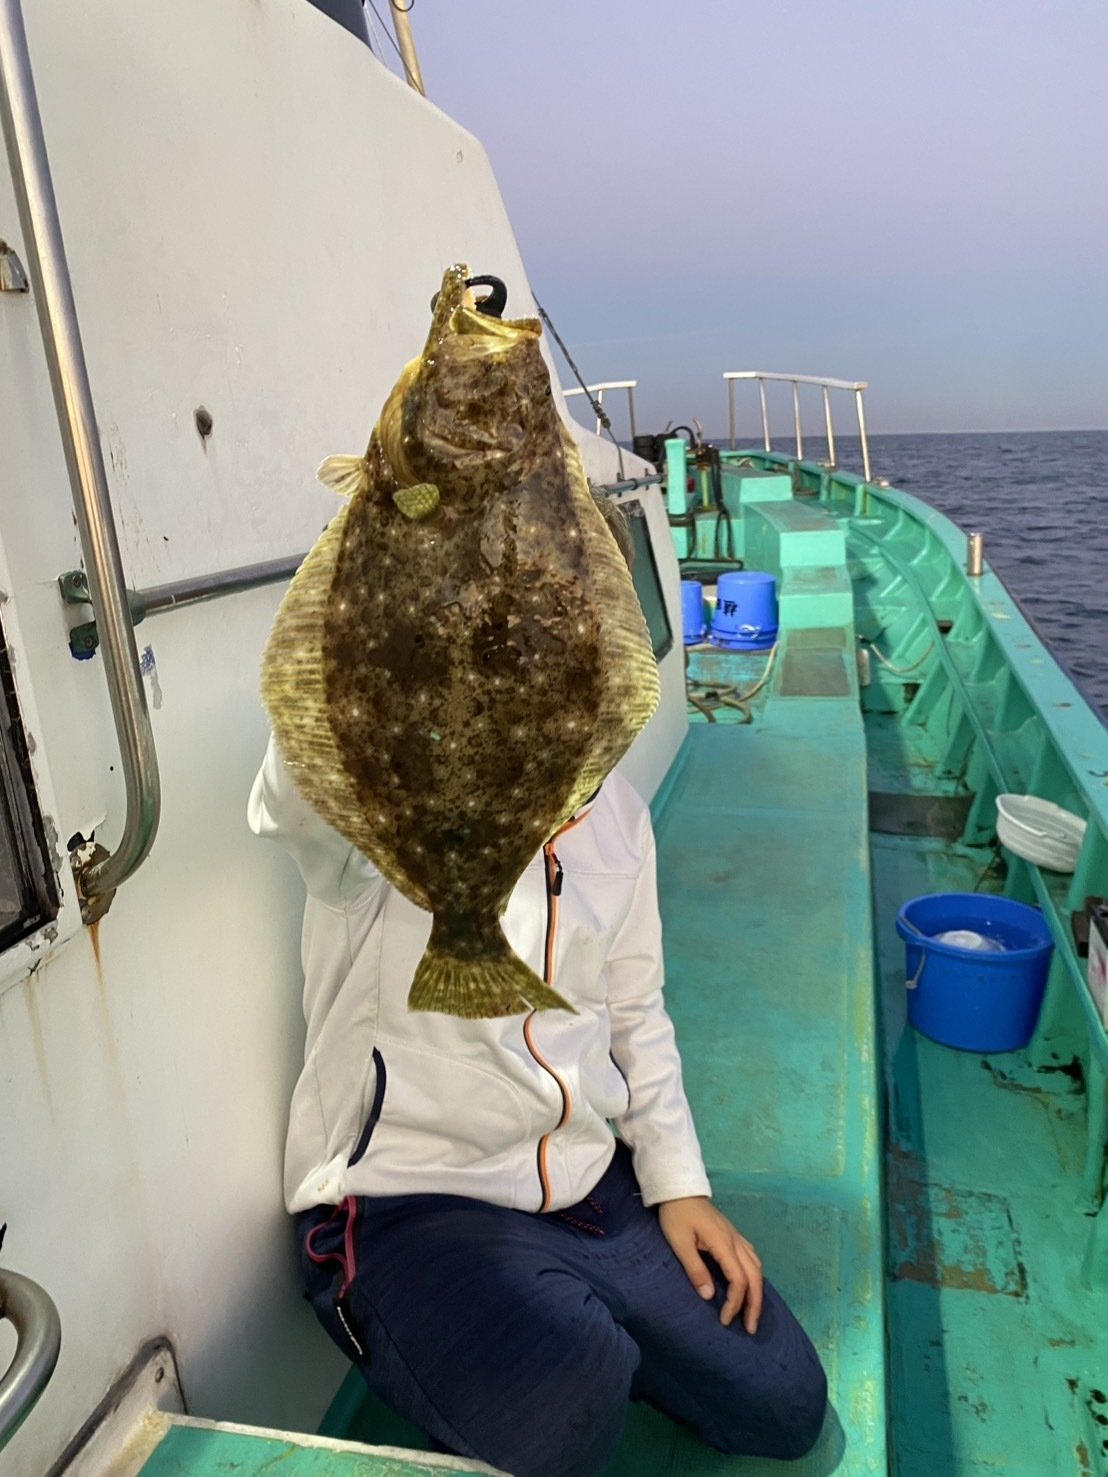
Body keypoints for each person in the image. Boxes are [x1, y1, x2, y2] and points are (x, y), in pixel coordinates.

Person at [249, 737, 828, 1476]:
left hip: (589, 1189)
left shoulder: (618, 812)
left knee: (784, 1401)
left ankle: (583, 1327)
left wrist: (679, 1183)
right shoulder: (386, 796)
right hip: (413, 1203)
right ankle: (552, 1351)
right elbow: (295, 791)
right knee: (567, 1406)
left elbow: (634, 1009)